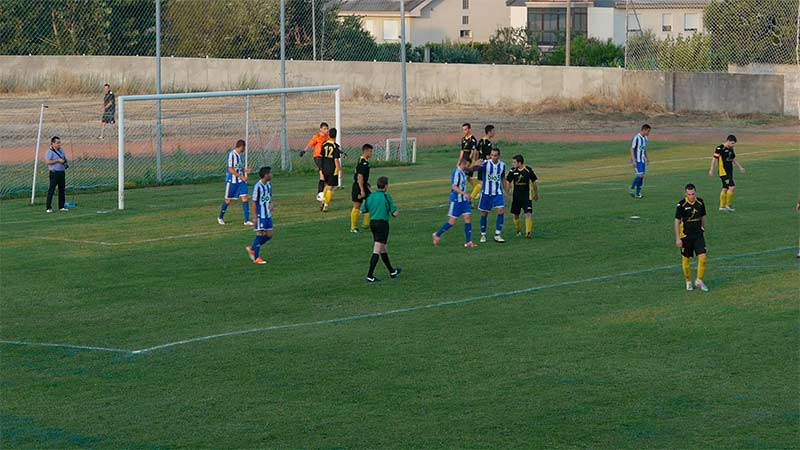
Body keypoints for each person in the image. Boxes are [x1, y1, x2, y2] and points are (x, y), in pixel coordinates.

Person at [361, 176, 401, 282]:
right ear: (386, 186)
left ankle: (392, 271)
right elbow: (395, 214)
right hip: (382, 224)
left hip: (373, 223)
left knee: (383, 248)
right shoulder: (386, 197)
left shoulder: (370, 197)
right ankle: (370, 276)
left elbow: (362, 210)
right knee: (377, 249)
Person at [433, 158, 476, 248]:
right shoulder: (457, 173)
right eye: (468, 165)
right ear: (464, 164)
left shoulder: (463, 172)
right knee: (452, 222)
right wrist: (464, 193)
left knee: (467, 218)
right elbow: (454, 187)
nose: (468, 167)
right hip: (456, 201)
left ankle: (468, 242)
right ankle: (437, 234)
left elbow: (470, 169)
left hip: (463, 201)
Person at [674, 183, 708, 292]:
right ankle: (688, 281)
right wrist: (678, 238)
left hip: (698, 235)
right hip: (686, 236)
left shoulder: (700, 202)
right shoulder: (681, 205)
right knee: (686, 259)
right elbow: (677, 221)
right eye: (689, 194)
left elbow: (703, 216)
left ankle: (699, 280)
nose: (691, 196)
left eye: (693, 194)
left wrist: (703, 228)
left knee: (703, 257)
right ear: (686, 194)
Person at [218, 140, 252, 225]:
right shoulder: (231, 155)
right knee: (228, 201)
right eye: (244, 147)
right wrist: (241, 176)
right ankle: (220, 217)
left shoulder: (239, 155)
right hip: (232, 182)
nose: (245, 149)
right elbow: (230, 169)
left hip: (241, 182)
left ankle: (246, 220)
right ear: (241, 146)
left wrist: (245, 170)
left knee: (245, 198)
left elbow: (238, 167)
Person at [476, 148, 507, 243]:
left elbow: (502, 178)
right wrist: (476, 163)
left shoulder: (502, 165)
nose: (493, 157)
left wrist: (506, 192)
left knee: (501, 211)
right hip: (486, 193)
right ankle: (483, 234)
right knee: (484, 214)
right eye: (492, 155)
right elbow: (475, 169)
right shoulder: (485, 163)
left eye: (495, 155)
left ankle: (497, 235)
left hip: (497, 193)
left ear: (499, 156)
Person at [708, 135, 745, 212]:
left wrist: (740, 167)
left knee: (725, 188)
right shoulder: (720, 148)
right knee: (732, 187)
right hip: (723, 172)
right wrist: (711, 170)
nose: (733, 145)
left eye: (734, 143)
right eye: (732, 143)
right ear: (728, 141)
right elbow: (714, 159)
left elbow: (733, 159)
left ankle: (722, 207)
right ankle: (728, 206)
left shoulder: (731, 148)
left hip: (729, 172)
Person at [506, 154, 539, 238]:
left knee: (528, 213)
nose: (513, 164)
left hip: (526, 197)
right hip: (516, 197)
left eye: (514, 162)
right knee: (515, 215)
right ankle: (518, 230)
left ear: (519, 163)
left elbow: (534, 181)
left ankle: (528, 233)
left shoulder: (528, 170)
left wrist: (536, 194)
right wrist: (506, 194)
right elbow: (508, 182)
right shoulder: (512, 171)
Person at [246, 167, 274, 265]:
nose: (271, 175)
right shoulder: (257, 187)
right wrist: (255, 217)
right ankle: (256, 258)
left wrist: (271, 204)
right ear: (265, 175)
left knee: (270, 235)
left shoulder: (269, 185)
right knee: (260, 234)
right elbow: (253, 202)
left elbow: (270, 197)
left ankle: (253, 248)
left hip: (267, 215)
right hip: (260, 215)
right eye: (270, 173)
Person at [300, 122, 330, 201]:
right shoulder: (317, 137)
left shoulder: (328, 137)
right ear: (321, 129)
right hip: (318, 157)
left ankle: (323, 193)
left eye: (327, 129)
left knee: (325, 175)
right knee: (322, 173)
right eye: (325, 129)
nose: (326, 130)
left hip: (325, 158)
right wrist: (304, 151)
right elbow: (310, 145)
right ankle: (320, 194)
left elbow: (332, 145)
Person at [351, 144, 373, 233]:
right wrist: (362, 189)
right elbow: (359, 176)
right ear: (366, 151)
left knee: (370, 202)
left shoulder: (362, 160)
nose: (371, 153)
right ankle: (353, 228)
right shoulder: (363, 162)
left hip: (363, 185)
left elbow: (360, 175)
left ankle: (366, 224)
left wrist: (366, 183)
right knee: (357, 206)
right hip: (358, 187)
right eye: (370, 151)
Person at [320, 128, 342, 213]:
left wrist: (321, 168)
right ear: (336, 135)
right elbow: (336, 160)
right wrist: (339, 170)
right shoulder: (335, 146)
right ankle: (326, 205)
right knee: (330, 188)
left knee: (326, 185)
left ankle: (323, 201)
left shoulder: (324, 144)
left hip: (324, 168)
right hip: (332, 169)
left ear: (328, 135)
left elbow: (321, 157)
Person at [471, 124, 495, 200]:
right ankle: (470, 198)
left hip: (480, 163)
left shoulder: (481, 140)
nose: (494, 133)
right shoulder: (487, 143)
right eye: (493, 131)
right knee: (484, 183)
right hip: (485, 164)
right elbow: (488, 157)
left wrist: (475, 161)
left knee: (483, 182)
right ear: (489, 132)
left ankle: (481, 196)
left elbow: (475, 151)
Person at [44, 136, 68, 213]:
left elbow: (64, 158)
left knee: (62, 190)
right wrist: (57, 161)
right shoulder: (49, 152)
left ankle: (61, 206)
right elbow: (48, 162)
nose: (59, 144)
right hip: (54, 173)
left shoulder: (61, 150)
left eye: (59, 143)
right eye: (57, 143)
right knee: (52, 190)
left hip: (61, 172)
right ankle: (48, 207)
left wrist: (64, 161)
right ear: (53, 143)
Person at [458, 123, 478, 201]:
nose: (464, 131)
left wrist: (469, 163)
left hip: (469, 160)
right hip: (464, 160)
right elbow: (462, 151)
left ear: (469, 129)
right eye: (463, 130)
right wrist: (459, 161)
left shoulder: (473, 139)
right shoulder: (463, 139)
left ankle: (468, 196)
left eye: (466, 129)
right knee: (468, 178)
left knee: (465, 178)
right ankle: (478, 190)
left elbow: (473, 152)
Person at [629, 124, 650, 198]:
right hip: (637, 160)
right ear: (644, 130)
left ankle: (638, 193)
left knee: (642, 177)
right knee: (640, 175)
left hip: (642, 160)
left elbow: (644, 149)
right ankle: (632, 187)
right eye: (648, 131)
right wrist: (634, 160)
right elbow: (631, 149)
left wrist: (647, 158)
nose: (648, 133)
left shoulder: (645, 138)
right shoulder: (636, 138)